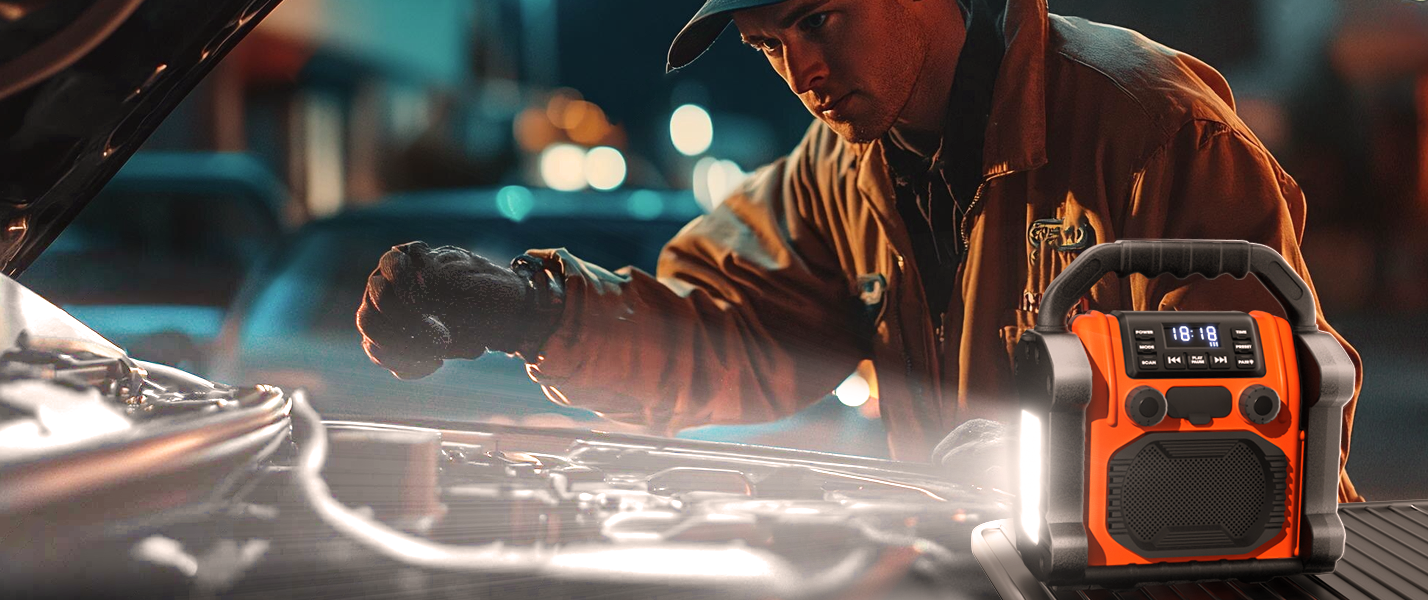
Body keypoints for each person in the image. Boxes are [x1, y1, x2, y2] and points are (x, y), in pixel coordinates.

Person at [356, 0, 1365, 501]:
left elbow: (1270, 432)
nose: (800, 68)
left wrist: (1050, 467)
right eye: (770, 44)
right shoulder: (840, 172)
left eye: (819, 17)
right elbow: (734, 334)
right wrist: (532, 312)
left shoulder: (1152, 134)